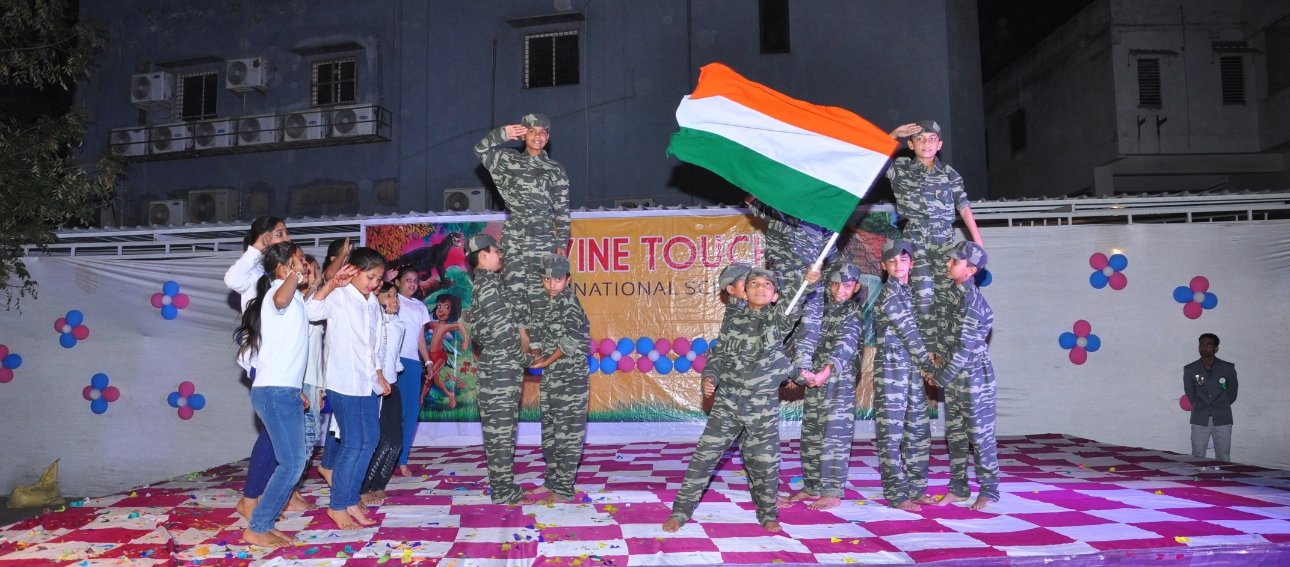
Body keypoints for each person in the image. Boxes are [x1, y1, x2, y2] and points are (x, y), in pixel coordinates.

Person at [663, 266, 820, 534]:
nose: (760, 287)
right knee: (704, 457)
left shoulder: (777, 319)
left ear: (774, 296)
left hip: (762, 409)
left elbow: (792, 308)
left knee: (765, 464)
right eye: (754, 283)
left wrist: (805, 283)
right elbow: (719, 355)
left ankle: (768, 514)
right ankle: (680, 512)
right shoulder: (732, 319)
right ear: (744, 292)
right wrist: (709, 377)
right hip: (728, 402)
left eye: (767, 285)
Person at [233, 241, 349, 548]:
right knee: (293, 463)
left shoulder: (296, 299)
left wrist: (332, 280)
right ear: (284, 268)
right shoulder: (276, 294)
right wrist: (291, 277)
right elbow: (281, 296)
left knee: (293, 461)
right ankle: (258, 526)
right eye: (300, 260)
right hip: (273, 392)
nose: (306, 265)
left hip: (283, 390)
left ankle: (262, 524)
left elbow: (311, 306)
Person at [225, 217, 316, 522]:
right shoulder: (255, 273)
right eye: (279, 234)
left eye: (286, 233)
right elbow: (232, 279)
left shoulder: (283, 278)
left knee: (279, 435)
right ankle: (252, 498)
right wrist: (256, 248)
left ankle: (274, 495)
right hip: (266, 365)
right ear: (263, 239)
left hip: (284, 367)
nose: (285, 237)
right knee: (273, 434)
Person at [305, 247, 389, 529]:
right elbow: (311, 311)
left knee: (371, 439)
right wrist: (330, 284)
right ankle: (338, 504)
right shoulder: (339, 296)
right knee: (353, 442)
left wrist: (378, 373)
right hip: (342, 381)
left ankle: (351, 498)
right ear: (352, 271)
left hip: (366, 382)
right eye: (371, 276)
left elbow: (372, 344)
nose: (375, 283)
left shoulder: (372, 302)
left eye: (379, 278)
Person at [473, 113, 572, 351]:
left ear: (548, 137)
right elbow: (480, 150)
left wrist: (562, 241)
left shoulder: (554, 169)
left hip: (543, 233)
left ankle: (540, 345)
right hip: (516, 232)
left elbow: (562, 208)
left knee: (541, 288)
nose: (538, 136)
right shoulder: (508, 160)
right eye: (532, 131)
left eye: (543, 132)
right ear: (523, 134)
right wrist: (502, 134)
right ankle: (521, 339)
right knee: (514, 285)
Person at [885, 121, 983, 353]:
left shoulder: (949, 174)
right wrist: (893, 134)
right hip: (915, 238)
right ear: (910, 144)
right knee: (923, 293)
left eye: (931, 139)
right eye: (920, 139)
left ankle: (948, 346)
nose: (926, 143)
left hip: (944, 240)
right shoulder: (901, 168)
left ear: (939, 144)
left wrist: (978, 240)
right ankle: (927, 352)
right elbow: (874, 159)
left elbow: (964, 206)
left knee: (948, 292)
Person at [462, 233, 535, 506]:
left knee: (503, 433)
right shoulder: (489, 287)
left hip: (501, 367)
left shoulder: (490, 284)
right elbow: (504, 333)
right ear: (483, 255)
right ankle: (503, 491)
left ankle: (504, 487)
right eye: (496, 251)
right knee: (500, 435)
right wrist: (527, 361)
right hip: (500, 369)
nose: (500, 255)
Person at [789, 261, 866, 510]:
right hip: (816, 379)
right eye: (834, 284)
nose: (839, 290)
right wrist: (800, 372)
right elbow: (805, 338)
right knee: (811, 433)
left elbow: (845, 345)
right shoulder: (820, 309)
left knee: (835, 436)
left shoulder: (853, 312)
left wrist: (825, 371)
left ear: (856, 287)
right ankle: (812, 485)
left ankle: (832, 491)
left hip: (838, 379)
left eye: (846, 285)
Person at [930, 241, 999, 511]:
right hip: (955, 374)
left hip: (972, 377)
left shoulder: (973, 303)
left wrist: (939, 377)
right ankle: (958, 488)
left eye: (954, 262)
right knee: (956, 435)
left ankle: (990, 490)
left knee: (980, 435)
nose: (948, 264)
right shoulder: (954, 295)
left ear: (969, 270)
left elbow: (963, 349)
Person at [873, 240, 936, 511]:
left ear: (911, 263)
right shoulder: (890, 295)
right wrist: (931, 367)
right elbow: (910, 333)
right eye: (892, 261)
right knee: (892, 433)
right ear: (884, 267)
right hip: (892, 367)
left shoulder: (912, 293)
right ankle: (897, 493)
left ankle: (917, 487)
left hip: (911, 368)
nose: (898, 265)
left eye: (903, 260)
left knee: (918, 430)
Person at [524, 254, 591, 504]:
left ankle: (563, 489)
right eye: (547, 279)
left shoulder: (570, 302)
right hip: (552, 379)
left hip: (571, 380)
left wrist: (546, 362)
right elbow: (539, 336)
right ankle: (552, 481)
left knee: (567, 435)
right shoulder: (548, 303)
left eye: (558, 280)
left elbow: (569, 341)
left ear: (568, 279)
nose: (552, 285)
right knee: (550, 434)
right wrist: (536, 356)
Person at [745, 196, 832, 380]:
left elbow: (831, 252)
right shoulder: (775, 210)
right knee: (779, 326)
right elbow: (749, 197)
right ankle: (774, 368)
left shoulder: (821, 218)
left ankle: (803, 369)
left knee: (810, 322)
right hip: (783, 279)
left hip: (811, 278)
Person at [360, 282, 406, 504]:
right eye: (388, 295)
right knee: (381, 439)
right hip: (375, 387)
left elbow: (394, 358)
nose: (394, 299)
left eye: (395, 295)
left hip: (392, 385)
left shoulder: (399, 325)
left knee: (396, 440)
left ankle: (379, 483)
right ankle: (364, 486)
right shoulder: (373, 322)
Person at [392, 265, 432, 477]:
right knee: (391, 414)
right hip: (392, 363)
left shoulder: (419, 306)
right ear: (398, 282)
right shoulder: (390, 299)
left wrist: (427, 362)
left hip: (412, 363)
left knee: (411, 413)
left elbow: (419, 338)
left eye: (415, 280)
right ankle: (385, 458)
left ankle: (403, 460)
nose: (412, 284)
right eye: (407, 279)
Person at [1184, 333, 1238, 462]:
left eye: (1209, 344)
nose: (1204, 347)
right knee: (1197, 454)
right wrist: (1201, 406)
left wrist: (1221, 404)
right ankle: (1197, 480)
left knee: (1223, 454)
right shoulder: (1190, 369)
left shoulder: (1227, 368)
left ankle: (1223, 480)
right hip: (1200, 416)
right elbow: (1190, 393)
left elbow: (1232, 393)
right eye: (1202, 344)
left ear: (1216, 348)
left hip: (1222, 416)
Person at [422, 294, 468, 409]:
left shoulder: (446, 326)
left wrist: (465, 341)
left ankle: (421, 398)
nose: (441, 310)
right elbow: (422, 327)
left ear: (452, 311)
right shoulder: (434, 325)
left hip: (441, 356)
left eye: (446, 307)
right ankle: (450, 395)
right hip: (430, 357)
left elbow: (460, 326)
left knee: (430, 376)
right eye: (439, 306)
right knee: (436, 379)